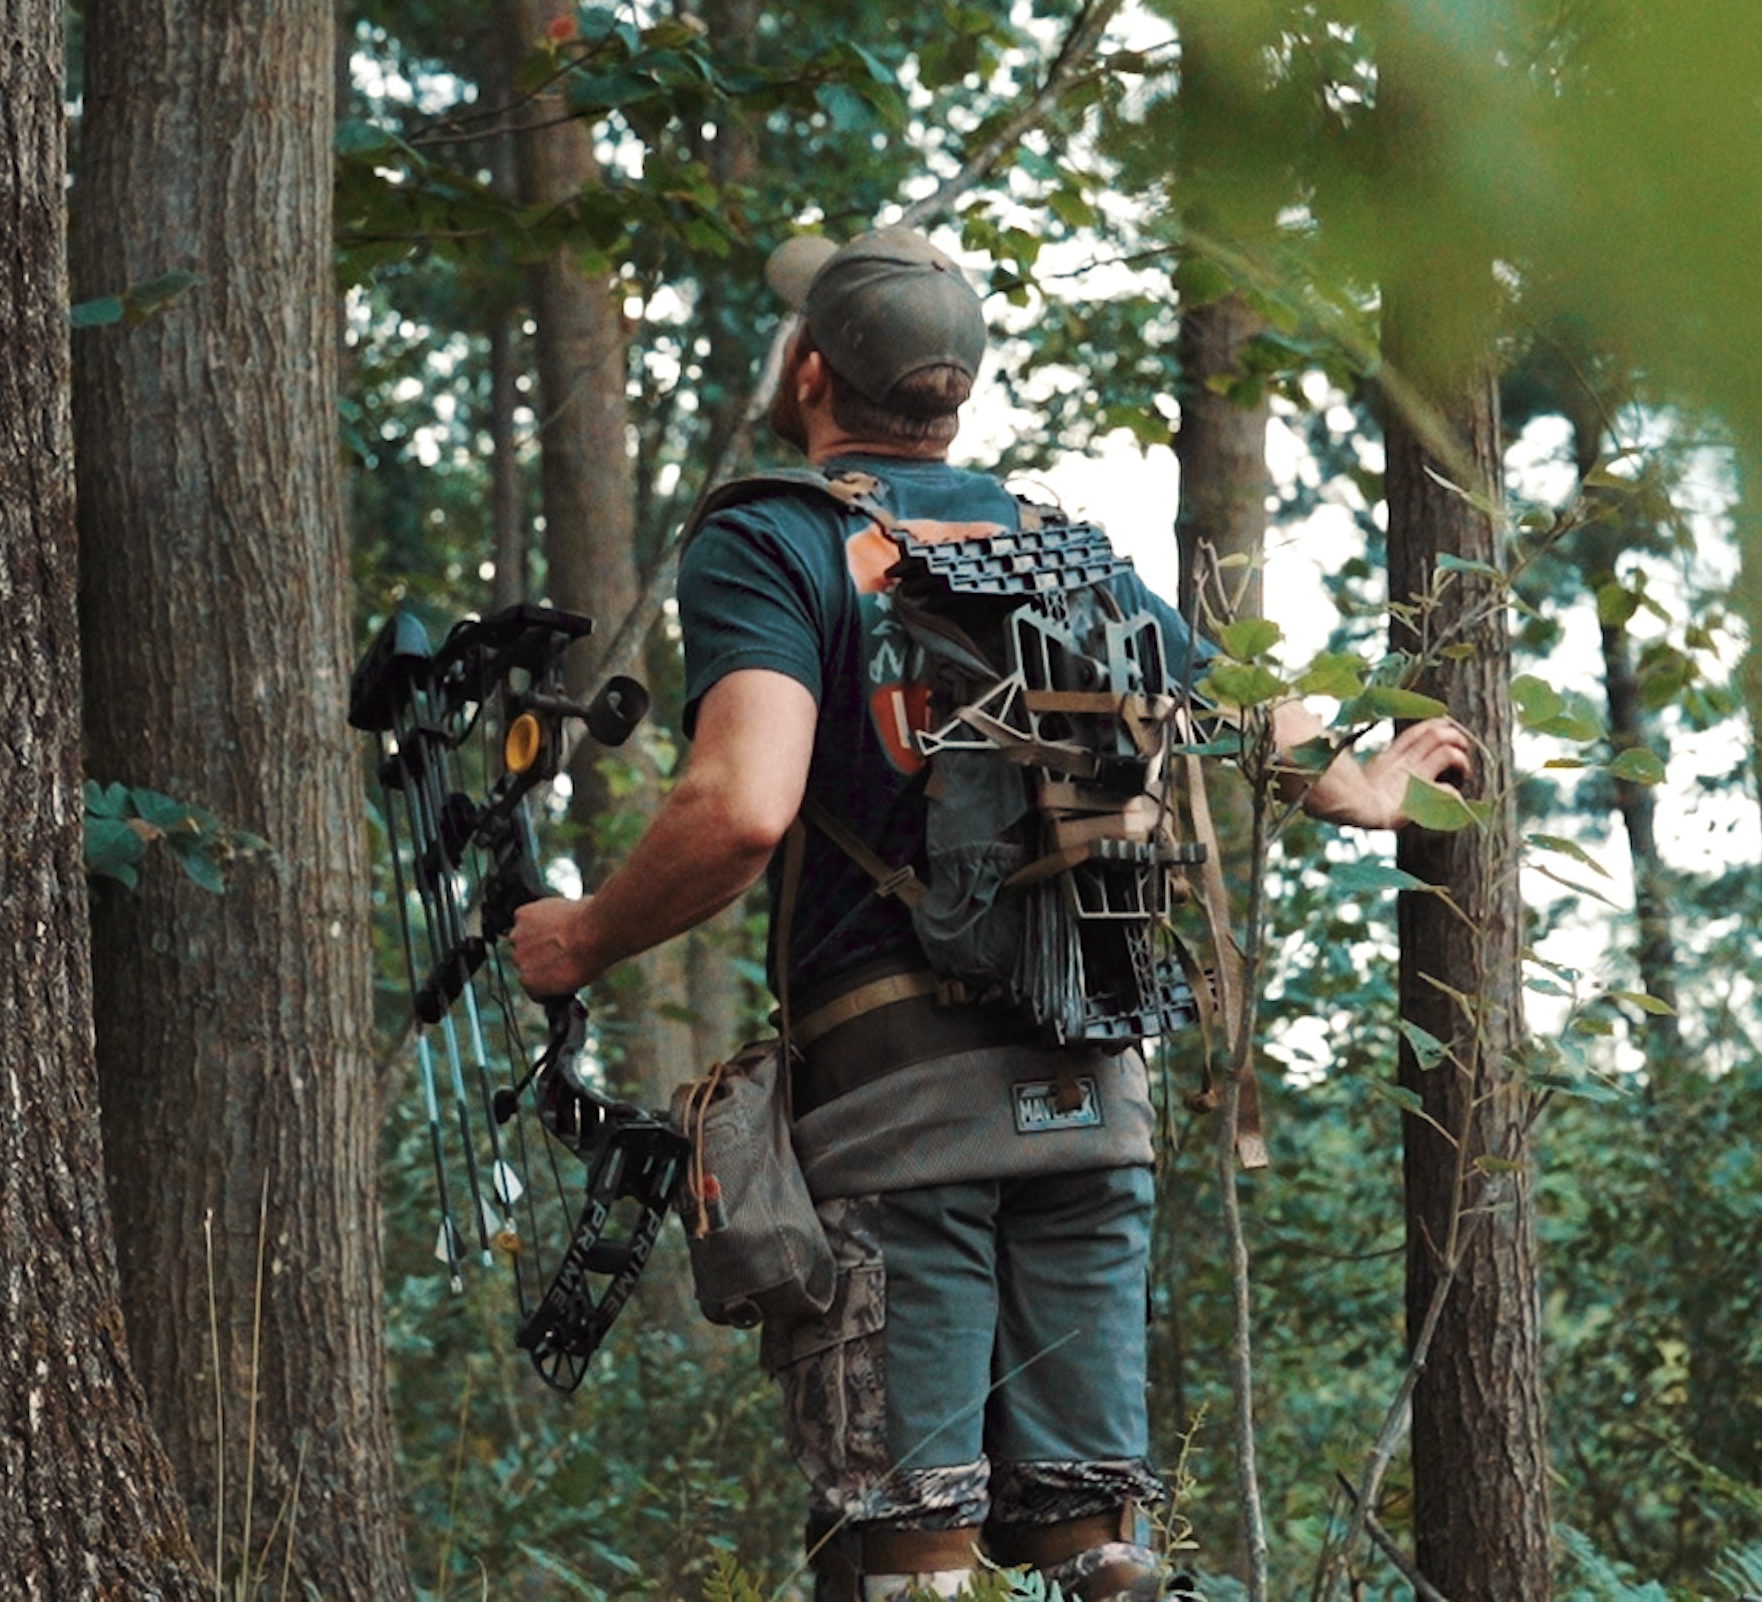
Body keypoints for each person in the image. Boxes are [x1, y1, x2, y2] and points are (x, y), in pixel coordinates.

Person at [509, 227, 1470, 1601]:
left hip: (901, 1118)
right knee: (1096, 1549)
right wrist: (1368, 789)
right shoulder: (1061, 550)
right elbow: (1250, 707)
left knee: (917, 1561)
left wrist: (579, 937)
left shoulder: (774, 538)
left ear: (811, 372)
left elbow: (741, 808)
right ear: (953, 396)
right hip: (1096, 1105)